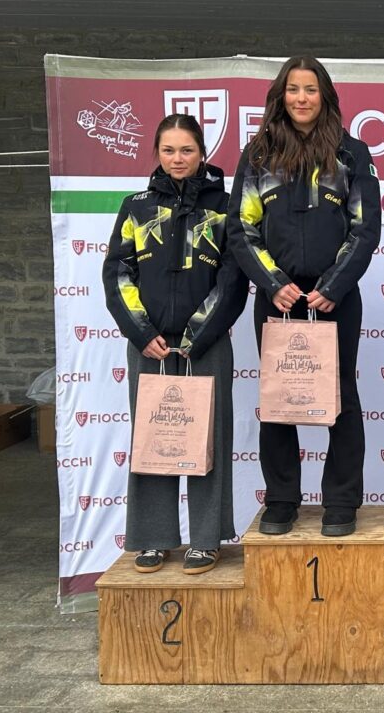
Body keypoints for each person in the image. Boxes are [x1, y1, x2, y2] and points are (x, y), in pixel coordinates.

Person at [228, 56, 381, 538]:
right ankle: (280, 501)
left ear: (325, 96)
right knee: (279, 400)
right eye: (293, 89)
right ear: (280, 96)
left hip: (335, 299)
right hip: (277, 299)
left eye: (310, 89)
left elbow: (365, 228)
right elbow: (241, 228)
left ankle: (341, 502)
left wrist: (333, 286)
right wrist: (273, 283)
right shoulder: (258, 155)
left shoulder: (352, 153)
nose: (301, 98)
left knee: (342, 396)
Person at [103, 113, 247, 574]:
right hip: (149, 345)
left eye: (187, 150)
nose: (177, 159)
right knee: (154, 439)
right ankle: (152, 537)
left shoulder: (226, 207)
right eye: (168, 150)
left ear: (203, 152)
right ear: (156, 153)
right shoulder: (135, 206)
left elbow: (233, 277)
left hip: (205, 343)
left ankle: (207, 539)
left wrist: (198, 334)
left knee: (209, 438)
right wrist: (142, 333)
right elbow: (118, 273)